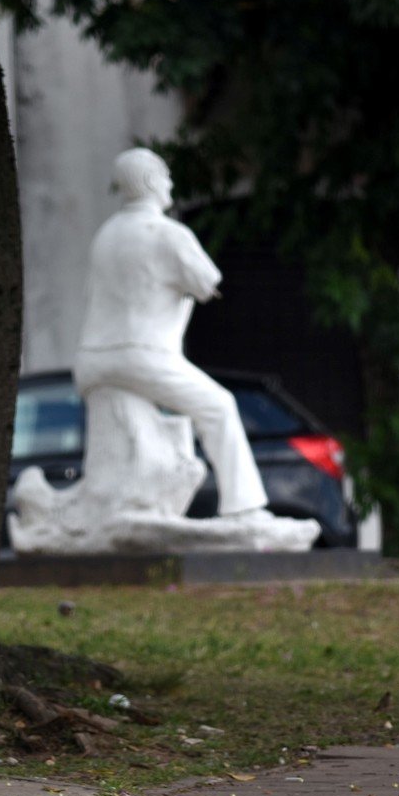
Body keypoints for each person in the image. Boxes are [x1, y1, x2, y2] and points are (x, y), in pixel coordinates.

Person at [73, 147, 271, 519]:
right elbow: (208, 283)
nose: (171, 183)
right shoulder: (167, 234)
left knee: (136, 428)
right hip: (141, 356)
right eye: (165, 175)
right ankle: (244, 507)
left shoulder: (105, 236)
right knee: (219, 407)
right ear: (149, 181)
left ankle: (122, 509)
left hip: (92, 361)